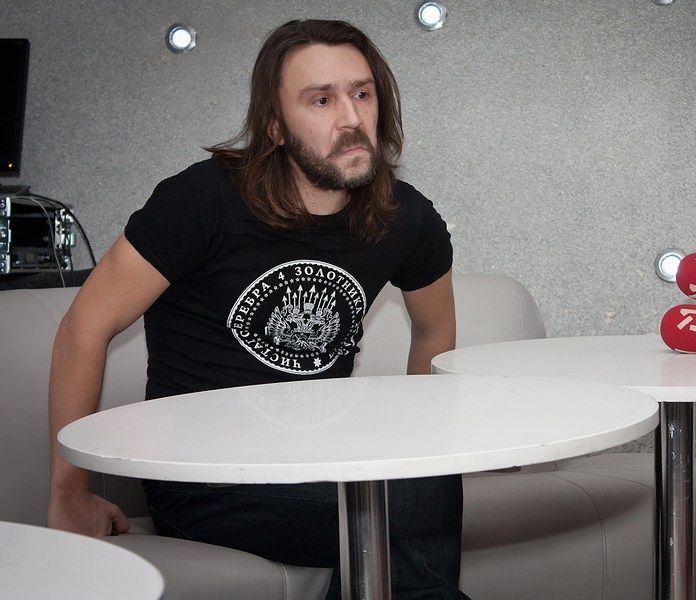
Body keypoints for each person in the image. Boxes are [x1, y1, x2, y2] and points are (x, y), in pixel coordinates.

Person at [47, 19, 468, 599]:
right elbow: (83, 328)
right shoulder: (202, 200)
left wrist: (417, 443)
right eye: (321, 100)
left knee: (422, 482)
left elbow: (435, 332)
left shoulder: (406, 218)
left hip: (324, 465)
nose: (351, 118)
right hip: (204, 480)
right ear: (274, 125)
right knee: (412, 499)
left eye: (362, 93)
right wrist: (68, 493)